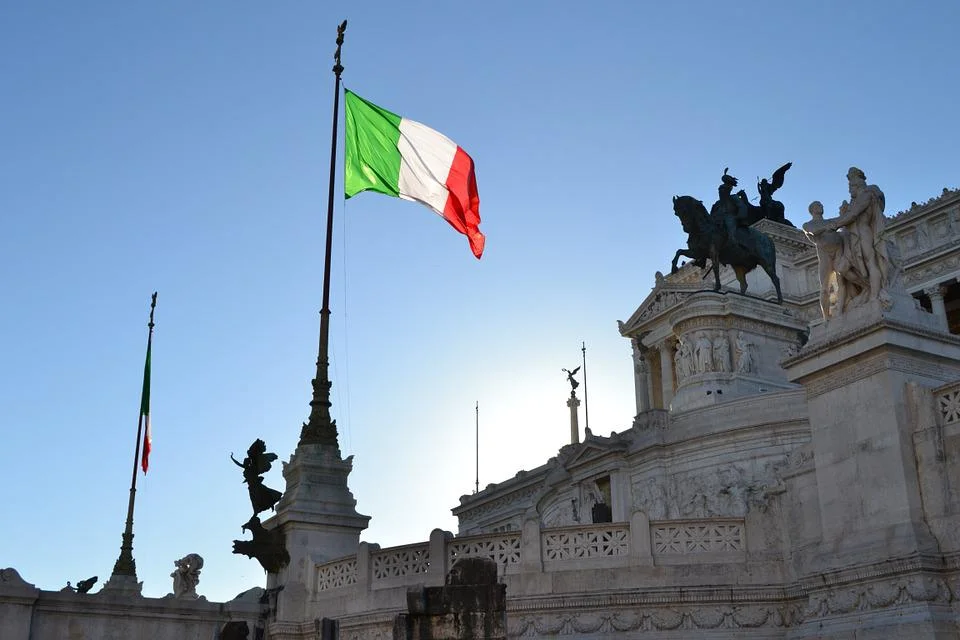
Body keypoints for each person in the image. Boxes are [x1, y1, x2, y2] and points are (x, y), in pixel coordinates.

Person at [802, 200, 868, 318]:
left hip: (838, 253)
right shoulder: (808, 224)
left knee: (842, 281)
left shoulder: (830, 221)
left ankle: (864, 288)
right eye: (818, 205)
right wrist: (827, 227)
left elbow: (844, 220)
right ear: (812, 210)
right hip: (825, 257)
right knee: (824, 289)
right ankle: (826, 317)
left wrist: (845, 211)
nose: (821, 206)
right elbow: (813, 232)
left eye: (821, 205)